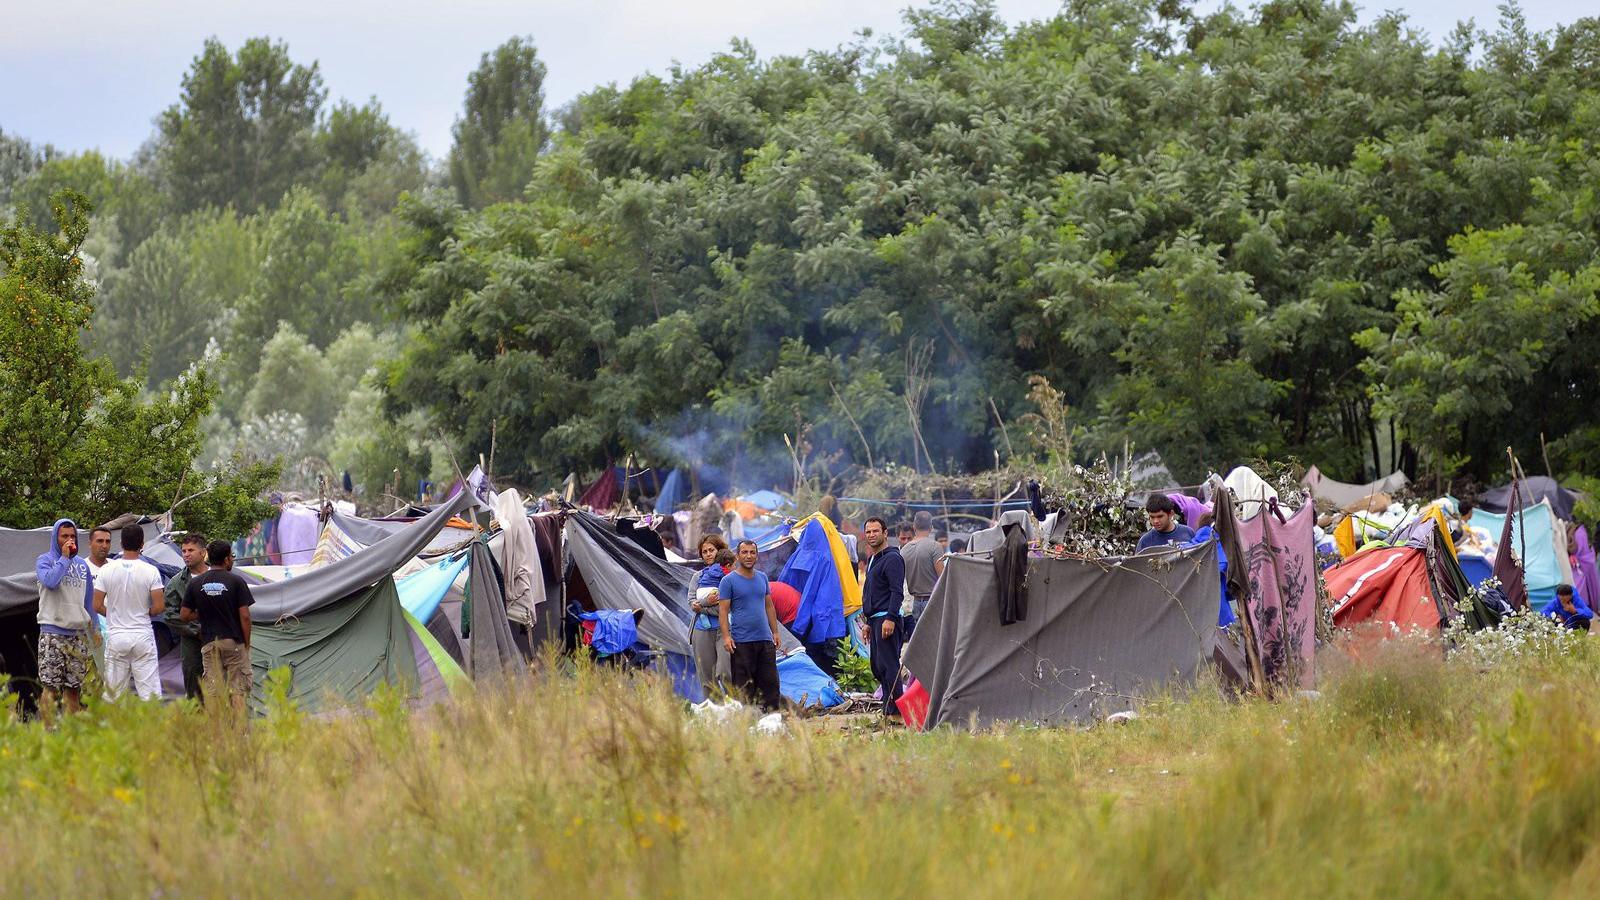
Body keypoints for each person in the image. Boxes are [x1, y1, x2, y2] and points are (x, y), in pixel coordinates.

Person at [181, 541, 256, 714]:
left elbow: (184, 615)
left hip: (209, 644)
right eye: (232, 557)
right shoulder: (236, 581)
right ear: (226, 559)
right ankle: (239, 732)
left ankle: (216, 732)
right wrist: (246, 643)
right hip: (233, 643)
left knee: (214, 691)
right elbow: (245, 616)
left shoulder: (195, 583)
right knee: (238, 689)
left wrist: (203, 612)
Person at [93, 524, 165, 701]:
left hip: (116, 636)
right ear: (142, 544)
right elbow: (159, 607)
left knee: (114, 695)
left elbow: (96, 605)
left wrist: (114, 614)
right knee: (150, 694)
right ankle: (151, 728)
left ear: (121, 543)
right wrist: (144, 612)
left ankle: (114, 727)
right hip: (142, 635)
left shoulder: (107, 570)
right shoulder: (150, 570)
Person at [34, 519, 94, 724]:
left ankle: (71, 733)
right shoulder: (44, 560)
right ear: (55, 538)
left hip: (77, 635)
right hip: (53, 632)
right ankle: (46, 733)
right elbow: (50, 582)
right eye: (64, 536)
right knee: (50, 687)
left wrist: (94, 629)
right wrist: (64, 558)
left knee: (74, 689)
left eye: (72, 536)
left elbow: (88, 602)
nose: (69, 540)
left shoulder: (83, 566)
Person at [717, 540, 783, 712]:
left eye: (752, 552)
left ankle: (772, 719)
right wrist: (726, 636)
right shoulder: (728, 581)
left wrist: (775, 632)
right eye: (744, 552)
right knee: (744, 687)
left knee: (770, 684)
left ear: (757, 555)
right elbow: (723, 611)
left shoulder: (762, 577)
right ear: (737, 556)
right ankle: (747, 724)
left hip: (765, 640)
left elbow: (769, 605)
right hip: (741, 642)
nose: (748, 556)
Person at [860, 517, 905, 718]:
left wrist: (891, 618)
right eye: (868, 532)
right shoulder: (873, 559)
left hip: (888, 619)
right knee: (878, 667)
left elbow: (897, 592)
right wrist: (868, 623)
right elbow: (871, 592)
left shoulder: (893, 558)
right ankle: (889, 707)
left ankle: (899, 711)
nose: (871, 535)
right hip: (875, 620)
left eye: (875, 531)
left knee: (889, 665)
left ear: (885, 533)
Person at [163, 533, 210, 700]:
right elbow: (170, 615)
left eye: (191, 550)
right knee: (194, 686)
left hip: (220, 639)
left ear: (203, 552)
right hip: (192, 643)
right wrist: (195, 630)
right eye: (183, 551)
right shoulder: (177, 582)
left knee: (224, 686)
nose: (186, 554)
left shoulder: (219, 576)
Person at [690, 535, 733, 695]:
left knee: (725, 673)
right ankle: (715, 712)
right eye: (704, 551)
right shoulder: (698, 577)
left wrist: (702, 606)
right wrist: (707, 603)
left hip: (725, 631)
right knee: (707, 679)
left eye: (711, 550)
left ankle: (735, 707)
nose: (708, 554)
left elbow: (726, 607)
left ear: (719, 551)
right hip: (701, 630)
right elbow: (691, 601)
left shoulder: (729, 576)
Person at [900, 510, 946, 639]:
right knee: (934, 642)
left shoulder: (904, 550)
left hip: (915, 603)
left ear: (914, 527)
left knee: (919, 642)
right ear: (931, 527)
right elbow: (942, 578)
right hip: (932, 602)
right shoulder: (935, 547)